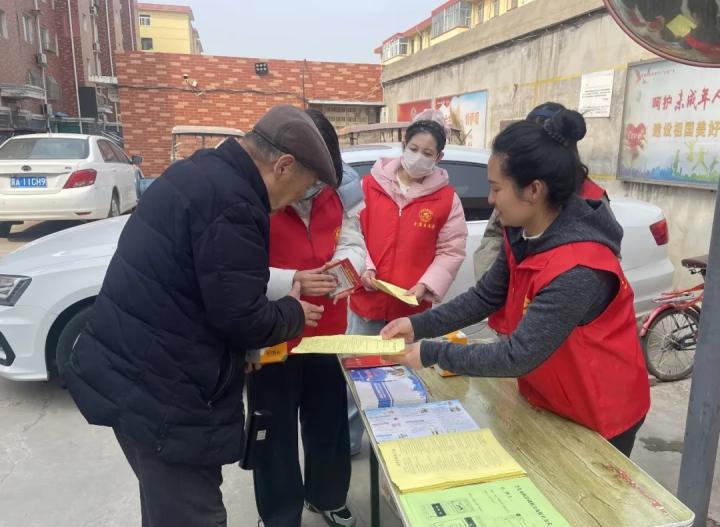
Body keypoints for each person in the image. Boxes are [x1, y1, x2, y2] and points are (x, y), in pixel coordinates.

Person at [63, 104, 338, 527]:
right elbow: (242, 318)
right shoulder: (235, 203)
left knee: (166, 510)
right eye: (301, 188)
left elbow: (210, 283)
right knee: (192, 515)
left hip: (137, 374)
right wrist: (293, 312)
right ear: (283, 165)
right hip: (166, 398)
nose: (294, 200)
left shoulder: (201, 172)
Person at [382, 110, 650, 457]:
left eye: (496, 188)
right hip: (552, 394)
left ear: (534, 190)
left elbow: (518, 355)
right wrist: (417, 325)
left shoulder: (578, 267)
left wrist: (432, 352)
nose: (490, 200)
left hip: (600, 410)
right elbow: (485, 297)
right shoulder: (522, 235)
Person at [248, 109, 365, 527]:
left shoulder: (338, 190)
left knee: (329, 419)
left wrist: (345, 270)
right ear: (287, 163)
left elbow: (353, 240)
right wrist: (291, 280)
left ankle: (327, 495)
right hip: (273, 332)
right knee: (273, 429)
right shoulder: (255, 195)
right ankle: (279, 514)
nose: (315, 186)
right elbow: (237, 270)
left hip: (326, 331)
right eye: (310, 175)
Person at [345, 110, 467, 451]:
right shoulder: (368, 186)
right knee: (358, 375)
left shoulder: (446, 199)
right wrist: (365, 267)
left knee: (407, 379)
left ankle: (402, 445)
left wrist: (425, 285)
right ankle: (349, 442)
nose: (418, 157)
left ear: (439, 157)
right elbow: (352, 233)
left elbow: (451, 250)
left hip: (412, 312)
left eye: (428, 153)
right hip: (367, 302)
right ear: (403, 146)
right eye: (414, 149)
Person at [473, 102, 609, 281]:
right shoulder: (513, 200)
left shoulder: (593, 201)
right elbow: (494, 236)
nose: (491, 199)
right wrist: (501, 282)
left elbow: (602, 262)